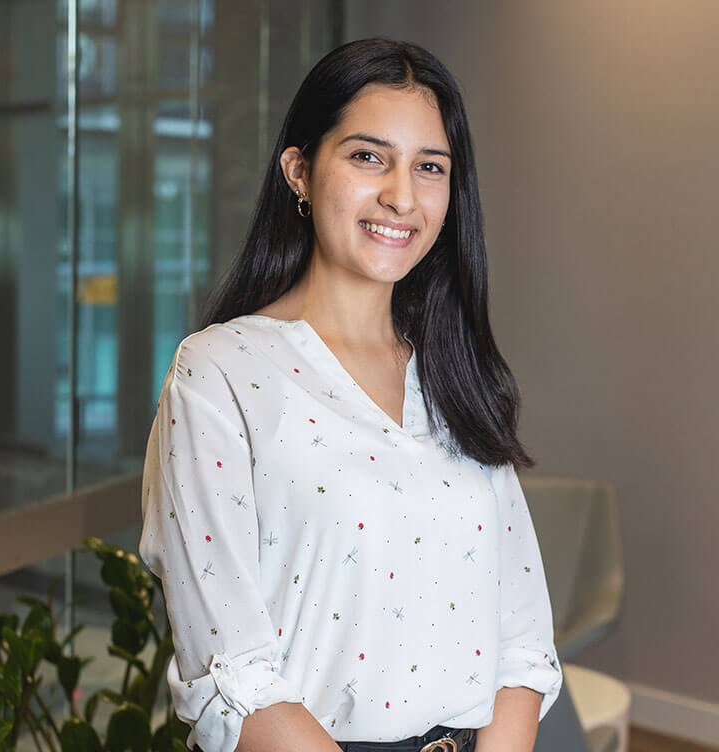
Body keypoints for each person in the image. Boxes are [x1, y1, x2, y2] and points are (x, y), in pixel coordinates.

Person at [139, 37, 562, 752]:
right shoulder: (218, 376)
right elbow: (233, 677)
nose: (402, 194)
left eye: (430, 167)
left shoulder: (453, 374)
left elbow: (522, 642)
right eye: (369, 156)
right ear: (299, 172)